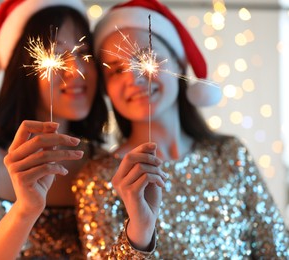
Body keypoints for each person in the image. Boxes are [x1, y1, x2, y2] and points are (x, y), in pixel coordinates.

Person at [73, 0, 289, 258]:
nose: (134, 77)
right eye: (117, 70)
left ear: (178, 64)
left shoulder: (230, 154)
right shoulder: (99, 179)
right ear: (106, 89)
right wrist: (139, 231)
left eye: (145, 58)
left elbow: (277, 250)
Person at [0, 0, 109, 259]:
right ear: (24, 67)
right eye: (56, 55)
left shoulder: (100, 162)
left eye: (83, 52)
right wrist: (25, 210)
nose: (77, 70)